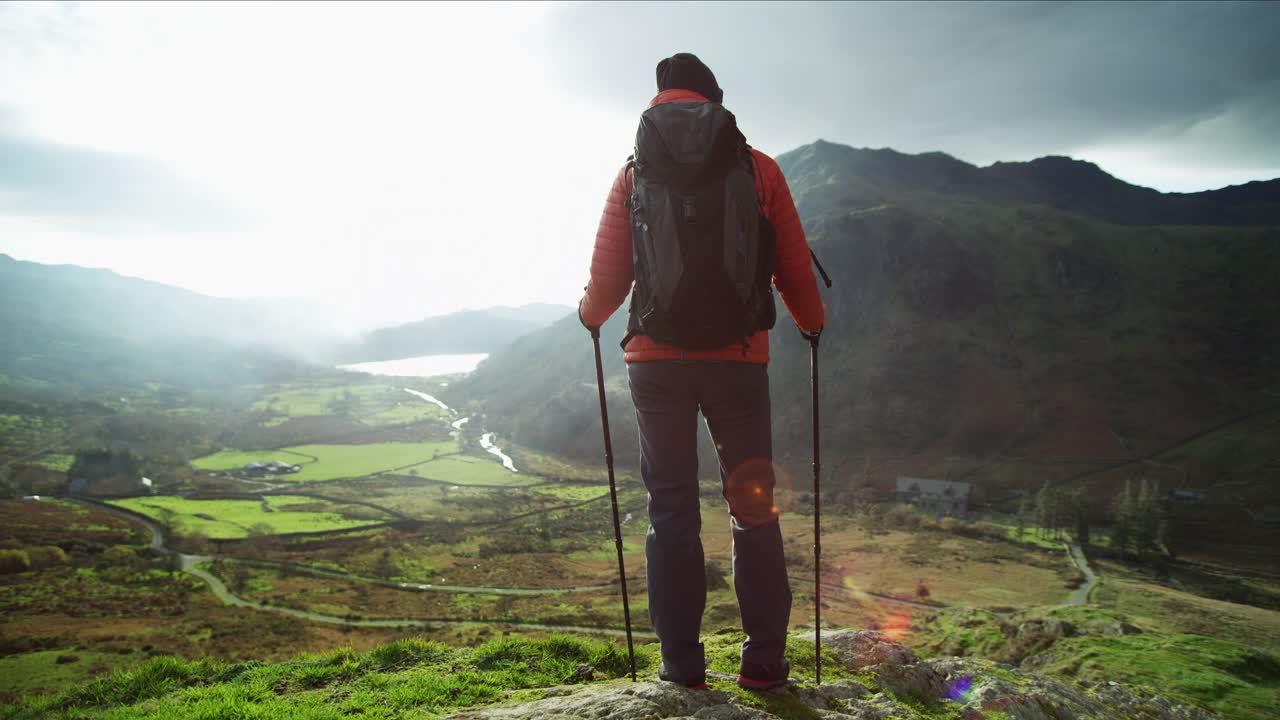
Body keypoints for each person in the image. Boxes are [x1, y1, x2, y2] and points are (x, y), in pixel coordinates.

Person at [578, 52, 825, 691]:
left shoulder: (633, 175)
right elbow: (792, 261)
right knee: (755, 506)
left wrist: (590, 315)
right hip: (739, 360)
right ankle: (764, 662)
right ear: (715, 101)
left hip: (656, 363)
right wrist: (812, 320)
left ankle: (682, 667)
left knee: (670, 511)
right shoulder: (759, 168)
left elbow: (609, 280)